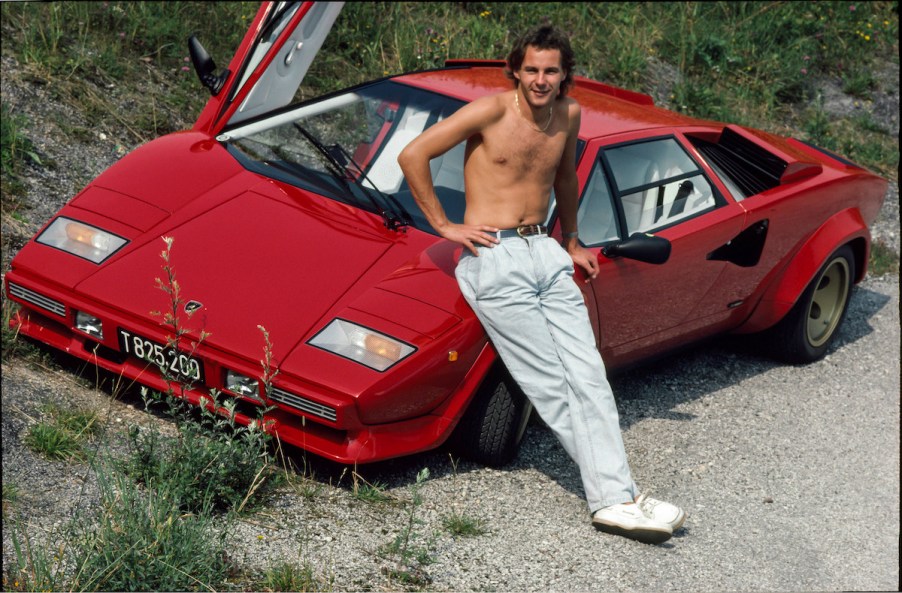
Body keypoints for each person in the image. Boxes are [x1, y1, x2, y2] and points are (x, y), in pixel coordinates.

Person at [398, 24, 685, 544]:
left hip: (545, 252)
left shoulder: (569, 115)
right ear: (516, 69)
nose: (540, 79)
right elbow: (413, 155)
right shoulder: (489, 111)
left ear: (565, 74)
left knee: (590, 375)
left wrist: (572, 240)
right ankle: (615, 498)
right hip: (495, 255)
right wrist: (445, 226)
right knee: (552, 384)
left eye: (550, 70)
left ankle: (618, 495)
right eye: (531, 69)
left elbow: (565, 179)